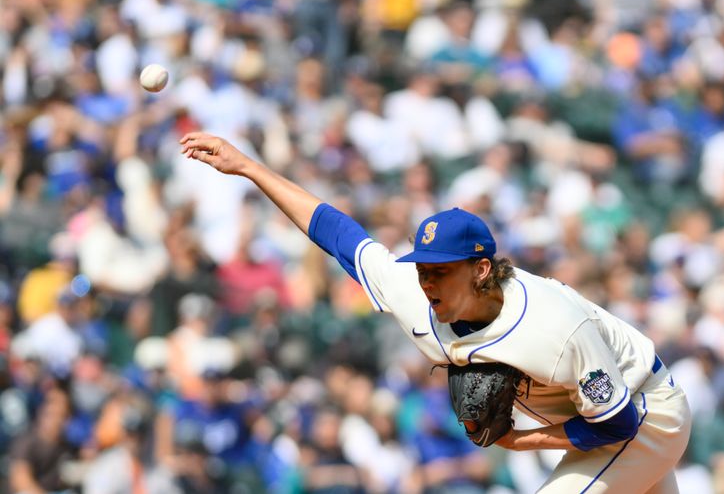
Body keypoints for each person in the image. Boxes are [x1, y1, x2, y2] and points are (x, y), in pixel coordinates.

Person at [179, 131, 692, 493]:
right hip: (597, 421)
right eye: (423, 266)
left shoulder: (556, 325)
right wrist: (248, 167)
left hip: (645, 415)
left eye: (441, 270)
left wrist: (523, 440)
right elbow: (335, 233)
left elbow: (618, 423)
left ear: (482, 269)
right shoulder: (413, 290)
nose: (426, 279)